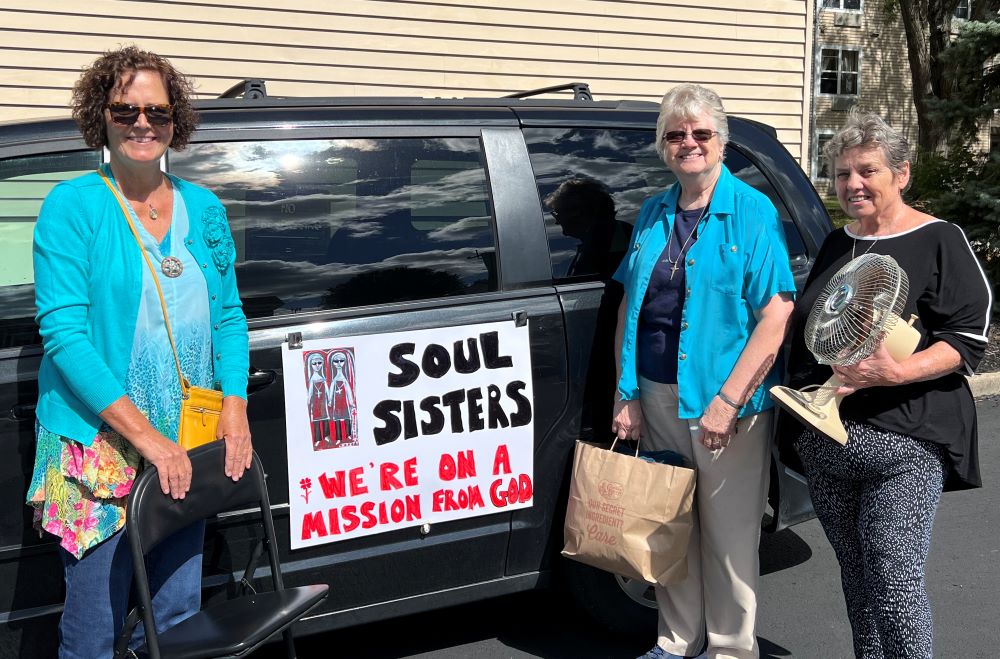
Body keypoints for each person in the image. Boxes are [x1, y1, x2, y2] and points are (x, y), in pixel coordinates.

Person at [26, 46, 251, 658]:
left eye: (157, 111)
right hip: (100, 445)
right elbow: (65, 335)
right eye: (125, 110)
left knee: (178, 612)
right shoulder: (73, 206)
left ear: (177, 121)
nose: (142, 123)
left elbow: (229, 315)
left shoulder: (203, 207)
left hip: (189, 436)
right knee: (96, 624)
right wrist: (148, 440)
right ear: (101, 115)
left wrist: (235, 404)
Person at [778, 112, 991, 657]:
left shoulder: (938, 239)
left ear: (901, 173)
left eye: (866, 171)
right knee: (859, 582)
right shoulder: (836, 243)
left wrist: (896, 372)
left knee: (894, 582)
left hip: (904, 443)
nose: (853, 185)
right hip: (827, 444)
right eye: (842, 174)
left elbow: (967, 339)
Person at [612, 83, 796, 659]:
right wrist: (627, 392)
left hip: (725, 404)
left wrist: (729, 400)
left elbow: (775, 313)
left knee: (727, 538)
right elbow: (630, 306)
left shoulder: (751, 210)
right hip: (657, 392)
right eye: (675, 134)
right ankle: (675, 641)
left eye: (701, 133)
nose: (688, 143)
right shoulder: (654, 210)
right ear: (663, 146)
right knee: (670, 522)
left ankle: (730, 649)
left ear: (722, 140)